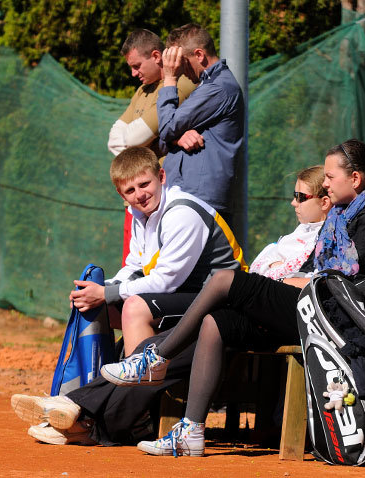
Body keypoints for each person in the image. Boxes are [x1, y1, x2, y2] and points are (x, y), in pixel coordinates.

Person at [100, 138, 365, 457]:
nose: (325, 183)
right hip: (312, 307)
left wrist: (304, 280)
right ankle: (190, 431)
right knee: (217, 323)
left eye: (329, 177)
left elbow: (346, 283)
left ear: (354, 179)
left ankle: (158, 358)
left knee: (225, 280)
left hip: (332, 316)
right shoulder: (340, 217)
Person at [11, 165, 331, 447]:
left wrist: (107, 293)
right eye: (295, 195)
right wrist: (107, 292)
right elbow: (137, 265)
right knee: (155, 347)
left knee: (149, 331)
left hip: (248, 312)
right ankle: (85, 417)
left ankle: (85, 413)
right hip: (231, 312)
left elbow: (318, 283)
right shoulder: (294, 237)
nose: (293, 202)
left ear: (325, 202)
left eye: (301, 197)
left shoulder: (327, 236)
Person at [69, 145, 246, 357]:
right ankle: (97, 378)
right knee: (93, 306)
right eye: (130, 190)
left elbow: (164, 282)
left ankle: (138, 385)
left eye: (144, 184)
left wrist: (106, 293)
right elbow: (135, 267)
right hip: (186, 294)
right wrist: (98, 290)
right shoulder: (139, 214)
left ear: (161, 176)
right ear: (120, 193)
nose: (140, 195)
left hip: (223, 302)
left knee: (134, 307)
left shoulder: (182, 213)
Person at [108, 29, 196, 265]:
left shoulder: (180, 84)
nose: (133, 73)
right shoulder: (142, 90)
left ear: (156, 56)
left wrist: (139, 141)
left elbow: (134, 137)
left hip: (160, 200)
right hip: (135, 204)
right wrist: (147, 142)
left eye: (137, 66)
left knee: (154, 268)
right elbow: (114, 140)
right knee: (132, 265)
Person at [157, 24, 244, 219]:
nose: (179, 69)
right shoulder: (206, 86)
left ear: (199, 55)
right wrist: (177, 139)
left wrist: (170, 79)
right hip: (188, 198)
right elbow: (164, 138)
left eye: (182, 61)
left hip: (200, 203)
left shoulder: (219, 88)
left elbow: (166, 127)